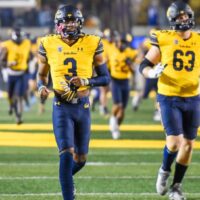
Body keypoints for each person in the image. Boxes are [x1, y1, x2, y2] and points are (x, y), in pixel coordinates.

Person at [37, 4, 110, 200]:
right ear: (58, 24)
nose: (70, 25)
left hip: (82, 106)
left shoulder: (92, 42)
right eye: (66, 21)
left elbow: (105, 78)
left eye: (73, 21)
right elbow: (41, 75)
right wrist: (41, 87)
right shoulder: (47, 43)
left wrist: (86, 81)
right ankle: (68, 194)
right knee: (66, 153)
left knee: (81, 159)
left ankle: (66, 181)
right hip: (61, 106)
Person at [139, 1, 200, 200]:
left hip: (193, 97)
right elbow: (144, 64)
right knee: (175, 143)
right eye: (179, 17)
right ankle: (164, 169)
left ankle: (176, 187)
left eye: (185, 16)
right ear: (172, 20)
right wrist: (151, 73)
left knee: (189, 145)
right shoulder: (164, 38)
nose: (183, 19)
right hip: (169, 95)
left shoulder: (199, 40)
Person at [0, 27, 31, 124]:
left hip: (22, 73)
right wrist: (8, 64)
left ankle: (18, 116)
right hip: (11, 74)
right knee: (9, 95)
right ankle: (11, 106)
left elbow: (29, 57)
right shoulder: (7, 45)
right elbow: (2, 61)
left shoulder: (26, 43)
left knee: (19, 95)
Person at [109, 32, 137, 139]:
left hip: (125, 81)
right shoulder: (111, 50)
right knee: (118, 105)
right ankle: (112, 119)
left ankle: (117, 126)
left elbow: (134, 71)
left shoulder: (130, 53)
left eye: (125, 43)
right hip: (115, 80)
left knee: (122, 110)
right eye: (122, 42)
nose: (123, 45)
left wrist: (130, 65)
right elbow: (104, 63)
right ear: (117, 42)